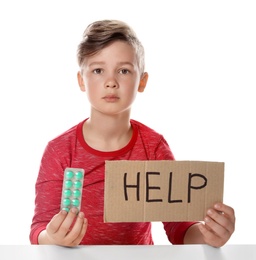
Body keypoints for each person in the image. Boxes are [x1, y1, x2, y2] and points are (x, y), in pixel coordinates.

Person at [29, 19, 235, 247]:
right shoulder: (59, 150)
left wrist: (208, 235)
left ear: (142, 81)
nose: (111, 82)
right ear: (81, 80)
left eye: (124, 71)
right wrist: (52, 238)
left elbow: (178, 226)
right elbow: (40, 228)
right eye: (98, 70)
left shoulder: (153, 146)